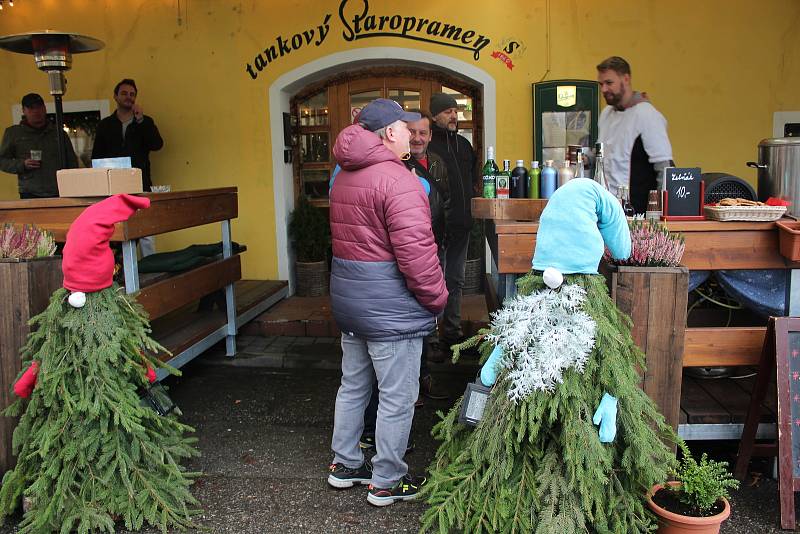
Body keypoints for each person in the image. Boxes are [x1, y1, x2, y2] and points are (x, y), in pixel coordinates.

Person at [327, 98, 447, 507]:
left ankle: (346, 465)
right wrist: (437, 299)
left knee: (354, 384)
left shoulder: (343, 173)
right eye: (405, 127)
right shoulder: (399, 181)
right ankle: (387, 480)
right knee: (397, 395)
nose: (412, 135)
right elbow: (417, 255)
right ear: (389, 133)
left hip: (351, 301)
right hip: (390, 307)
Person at [427, 92, 477, 361]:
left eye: (455, 111)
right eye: (447, 111)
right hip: (435, 228)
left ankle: (453, 332)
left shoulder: (463, 145)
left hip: (461, 225)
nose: (453, 115)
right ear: (435, 115)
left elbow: (473, 182)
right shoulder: (428, 146)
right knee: (435, 283)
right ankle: (432, 337)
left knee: (456, 281)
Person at [92, 79, 163, 256]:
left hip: (140, 183)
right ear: (115, 96)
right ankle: (121, 271)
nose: (128, 97)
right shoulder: (105, 125)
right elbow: (97, 157)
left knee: (146, 230)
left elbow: (157, 144)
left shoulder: (144, 122)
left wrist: (141, 120)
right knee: (118, 229)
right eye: (124, 93)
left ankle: (150, 268)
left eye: (132, 94)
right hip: (114, 187)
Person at [596, 56, 674, 214]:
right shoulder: (606, 115)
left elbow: (664, 169)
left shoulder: (647, 115)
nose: (603, 89)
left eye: (609, 83)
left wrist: (659, 215)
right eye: (601, 84)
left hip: (637, 214)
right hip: (606, 209)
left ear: (626, 79)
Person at [0, 93, 78, 198]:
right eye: (31, 108)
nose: (36, 111)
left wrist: (72, 185)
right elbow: (2, 161)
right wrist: (22, 164)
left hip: (59, 191)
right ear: (23, 110)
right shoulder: (14, 133)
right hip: (30, 192)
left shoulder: (58, 133)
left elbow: (72, 162)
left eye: (39, 107)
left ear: (45, 108)